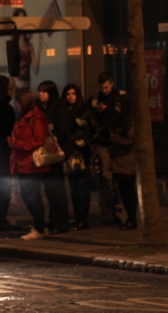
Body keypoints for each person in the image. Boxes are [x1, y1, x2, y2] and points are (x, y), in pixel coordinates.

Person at [91, 72, 136, 230]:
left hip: (117, 143)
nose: (104, 90)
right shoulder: (96, 100)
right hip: (105, 142)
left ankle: (125, 214)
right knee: (106, 179)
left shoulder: (122, 98)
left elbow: (128, 134)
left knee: (121, 181)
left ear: (112, 84)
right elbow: (92, 121)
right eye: (102, 88)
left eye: (107, 87)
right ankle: (110, 214)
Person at [8, 89, 50, 240]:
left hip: (32, 162)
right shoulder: (23, 117)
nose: (16, 104)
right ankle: (39, 225)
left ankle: (39, 227)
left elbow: (39, 140)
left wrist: (17, 144)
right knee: (27, 195)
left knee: (32, 195)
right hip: (22, 162)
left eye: (18, 101)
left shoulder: (37, 117)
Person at [37, 80, 71, 234]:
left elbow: (64, 131)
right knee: (50, 190)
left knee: (57, 189)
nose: (41, 94)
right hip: (47, 154)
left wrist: (51, 133)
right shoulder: (42, 109)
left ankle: (61, 222)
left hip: (56, 154)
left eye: (44, 91)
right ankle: (54, 221)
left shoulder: (59, 108)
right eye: (40, 91)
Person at [62, 84, 96, 230]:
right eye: (68, 94)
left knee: (83, 188)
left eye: (73, 94)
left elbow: (95, 131)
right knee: (74, 188)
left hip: (82, 154)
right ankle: (78, 218)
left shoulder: (85, 112)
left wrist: (86, 142)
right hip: (69, 153)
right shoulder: (63, 111)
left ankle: (83, 219)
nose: (71, 97)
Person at [0, 75, 17, 231]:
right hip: (3, 153)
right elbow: (10, 130)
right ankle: (0, 218)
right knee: (3, 187)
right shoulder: (7, 108)